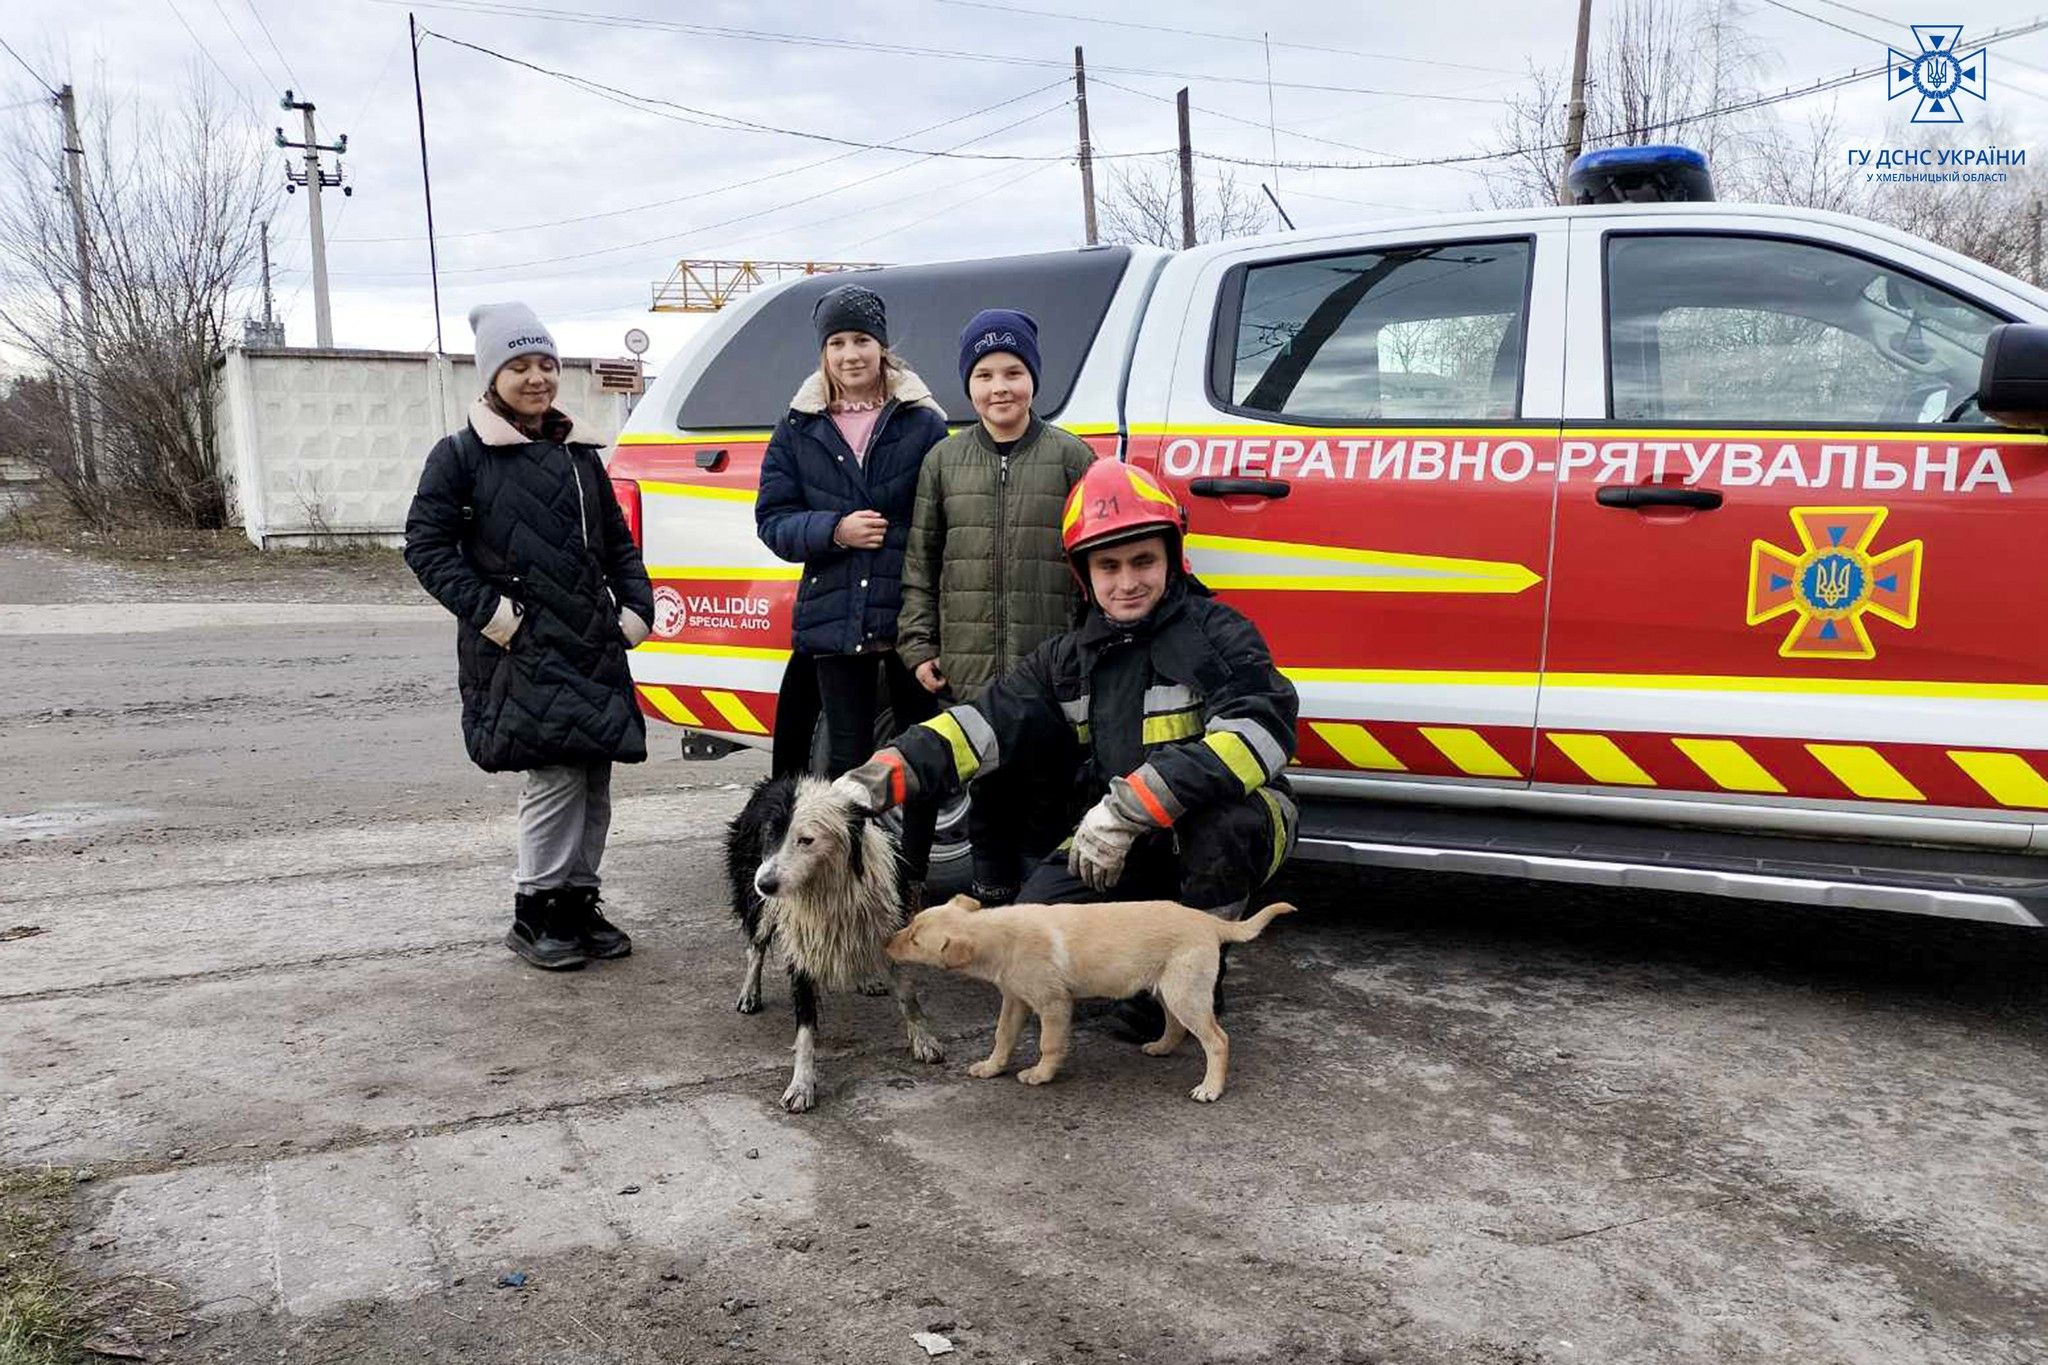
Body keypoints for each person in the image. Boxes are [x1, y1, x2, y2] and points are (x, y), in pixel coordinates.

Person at [833, 460, 1299, 1030]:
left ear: (1173, 559)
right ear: (1085, 575)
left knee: (1222, 830)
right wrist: (874, 781)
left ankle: (1191, 976)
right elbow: (980, 725)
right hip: (1114, 830)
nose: (1127, 582)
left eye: (1143, 561)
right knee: (1035, 925)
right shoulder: (1069, 657)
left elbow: (1261, 733)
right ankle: (1126, 956)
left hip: (1221, 825)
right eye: (1109, 566)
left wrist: (1128, 808)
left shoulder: (1220, 634)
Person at [404, 302, 655, 971]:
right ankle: (535, 909)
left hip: (592, 641)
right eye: (519, 365)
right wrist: (494, 614)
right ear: (492, 375)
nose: (537, 376)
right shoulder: (460, 456)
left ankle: (577, 901)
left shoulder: (579, 455)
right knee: (553, 778)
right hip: (519, 645)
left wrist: (637, 610)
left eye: (545, 362)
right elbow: (426, 547)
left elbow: (618, 543)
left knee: (594, 778)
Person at [895, 309, 1096, 906]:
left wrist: (1089, 651)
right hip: (970, 675)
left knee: (1048, 802)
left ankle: (1042, 919)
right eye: (984, 374)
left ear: (1034, 379)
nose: (999, 387)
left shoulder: (1071, 459)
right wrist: (919, 645)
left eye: (1013, 371)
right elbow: (921, 560)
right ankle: (990, 914)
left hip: (1050, 677)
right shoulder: (943, 462)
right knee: (986, 806)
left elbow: (1096, 564)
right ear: (968, 385)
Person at [754, 284, 951, 875]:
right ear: (824, 353)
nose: (850, 354)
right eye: (837, 342)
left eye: (862, 340)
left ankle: (911, 878)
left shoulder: (922, 424)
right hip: (834, 622)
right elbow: (773, 521)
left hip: (909, 615)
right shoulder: (799, 428)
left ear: (883, 348)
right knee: (846, 760)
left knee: (918, 754)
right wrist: (834, 530)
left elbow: (943, 513)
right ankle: (854, 881)